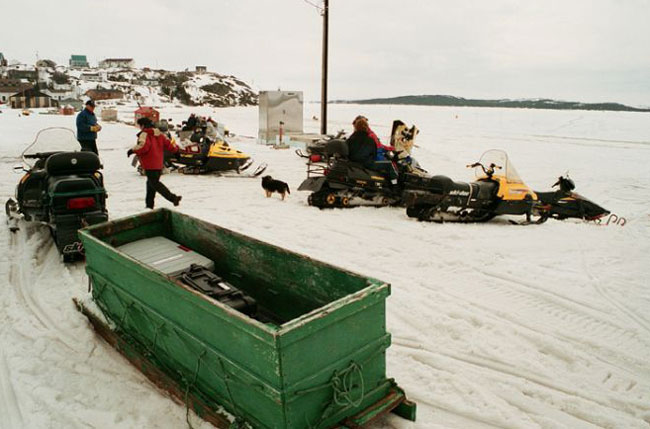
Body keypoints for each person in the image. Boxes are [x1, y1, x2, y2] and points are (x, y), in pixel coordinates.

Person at [127, 118, 182, 209]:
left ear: (143, 125)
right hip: (158, 164)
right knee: (150, 185)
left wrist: (132, 150)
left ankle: (173, 198)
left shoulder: (145, 134)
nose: (140, 128)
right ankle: (149, 206)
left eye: (140, 126)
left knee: (155, 184)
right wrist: (176, 152)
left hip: (149, 164)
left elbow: (143, 147)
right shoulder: (159, 134)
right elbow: (169, 144)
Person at [347, 116, 399, 184]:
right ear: (366, 127)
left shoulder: (351, 138)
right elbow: (374, 153)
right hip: (366, 163)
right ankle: (394, 184)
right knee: (389, 164)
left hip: (354, 161)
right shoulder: (370, 139)